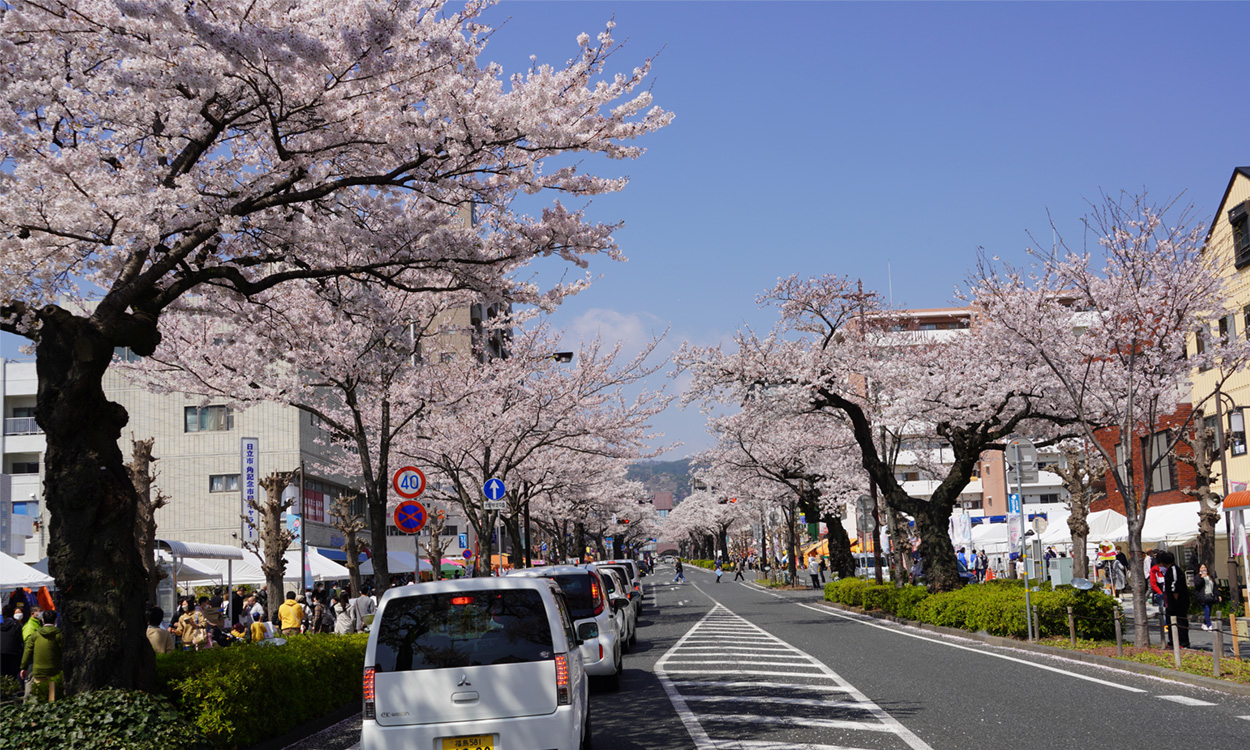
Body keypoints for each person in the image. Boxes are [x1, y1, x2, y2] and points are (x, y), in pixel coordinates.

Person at [20, 610, 62, 703]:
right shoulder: (59, 634)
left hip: (38, 670)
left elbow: (27, 651)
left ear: (42, 620)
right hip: (54, 670)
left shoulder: (35, 634)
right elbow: (63, 651)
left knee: (38, 697)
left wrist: (24, 667)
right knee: (53, 698)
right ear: (56, 620)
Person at [1160, 551, 1190, 649]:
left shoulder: (1174, 570)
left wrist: (1174, 601)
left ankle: (1183, 642)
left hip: (1178, 603)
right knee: (1170, 622)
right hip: (1170, 603)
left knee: (1180, 622)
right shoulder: (1169, 570)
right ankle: (1173, 641)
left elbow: (1175, 587)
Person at [1, 604, 24, 679]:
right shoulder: (15, 625)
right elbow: (20, 640)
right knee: (12, 677)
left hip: (1, 653)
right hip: (13, 654)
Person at [1194, 563, 1220, 631]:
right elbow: (1197, 585)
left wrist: (1218, 595)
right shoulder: (1198, 577)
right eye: (1202, 568)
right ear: (1199, 569)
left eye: (1204, 567)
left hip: (1210, 596)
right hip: (1203, 597)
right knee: (1207, 610)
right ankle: (1209, 625)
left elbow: (1215, 587)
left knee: (1209, 611)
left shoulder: (1210, 577)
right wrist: (1202, 578)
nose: (1203, 569)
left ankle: (1204, 624)